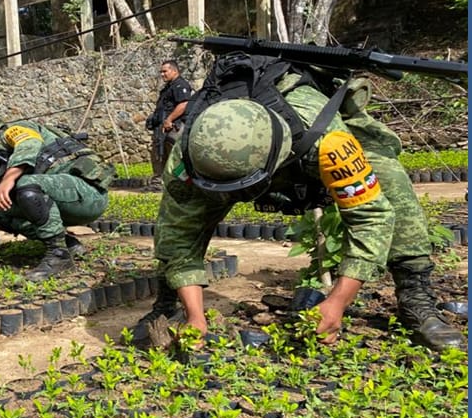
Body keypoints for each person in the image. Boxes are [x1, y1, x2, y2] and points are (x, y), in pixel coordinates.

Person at [137, 56, 464, 352]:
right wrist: (196, 317)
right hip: (227, 162)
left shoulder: (330, 143)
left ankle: (415, 297)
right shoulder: (190, 155)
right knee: (174, 229)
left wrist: (337, 302)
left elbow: (371, 217)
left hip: (303, 140)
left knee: (392, 182)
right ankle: (168, 304)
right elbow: (178, 235)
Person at [0, 116, 114, 282]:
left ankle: (59, 257)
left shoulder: (13, 131)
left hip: (88, 195)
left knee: (26, 185)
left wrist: (9, 179)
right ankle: (67, 244)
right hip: (63, 201)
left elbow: (29, 144)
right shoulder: (4, 162)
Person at [147, 59, 194, 176]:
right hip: (162, 128)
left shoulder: (180, 85)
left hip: (174, 127)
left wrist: (169, 119)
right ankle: (160, 180)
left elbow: (183, 104)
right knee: (159, 156)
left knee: (175, 157)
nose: (162, 74)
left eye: (165, 71)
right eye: (161, 72)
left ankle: (179, 181)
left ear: (174, 71)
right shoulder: (168, 87)